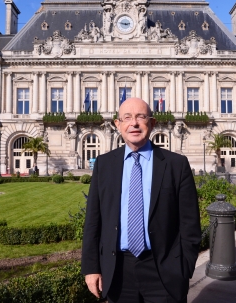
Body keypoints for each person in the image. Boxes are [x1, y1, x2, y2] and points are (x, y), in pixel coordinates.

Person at [81, 97, 201, 303]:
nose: (134, 123)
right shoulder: (104, 164)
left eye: (141, 117)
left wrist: (183, 269)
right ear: (117, 125)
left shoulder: (176, 165)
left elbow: (190, 224)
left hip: (163, 270)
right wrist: (91, 268)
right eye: (126, 117)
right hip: (118, 271)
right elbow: (93, 221)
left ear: (152, 123)